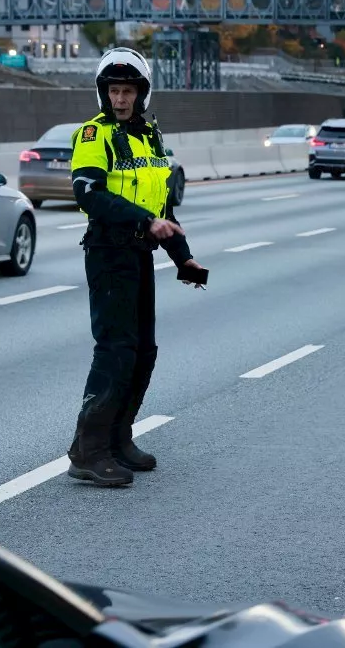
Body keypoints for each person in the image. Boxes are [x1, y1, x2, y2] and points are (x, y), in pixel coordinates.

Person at [66, 47, 207, 487]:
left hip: (139, 254)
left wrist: (183, 257)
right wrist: (144, 221)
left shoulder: (150, 138)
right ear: (103, 93)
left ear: (142, 94)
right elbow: (87, 192)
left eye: (127, 90)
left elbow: (161, 206)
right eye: (113, 90)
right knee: (115, 350)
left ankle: (118, 437)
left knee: (143, 350)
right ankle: (88, 450)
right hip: (108, 253)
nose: (119, 98)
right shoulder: (94, 134)